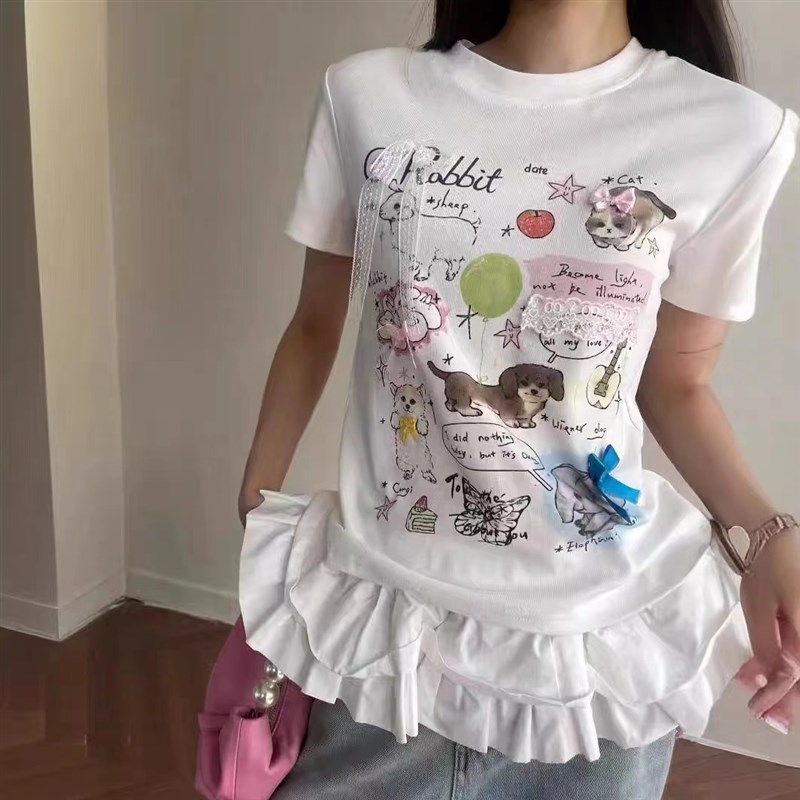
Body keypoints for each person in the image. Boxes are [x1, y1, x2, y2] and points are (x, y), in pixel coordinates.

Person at [237, 1, 800, 797]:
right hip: (387, 637)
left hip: (592, 664)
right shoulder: (365, 96)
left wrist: (770, 534)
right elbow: (314, 324)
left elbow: (678, 385)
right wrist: (257, 493)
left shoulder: (735, 133)